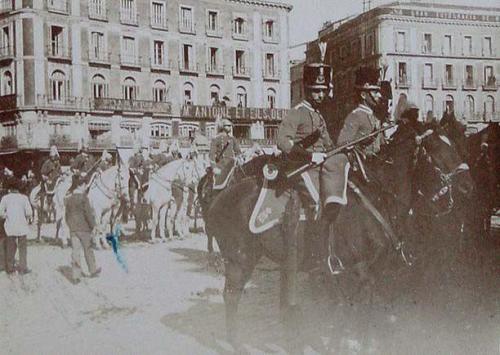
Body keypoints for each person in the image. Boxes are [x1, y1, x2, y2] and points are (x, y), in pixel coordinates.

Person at [64, 175, 101, 283]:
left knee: (75, 252)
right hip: (84, 228)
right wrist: (94, 226)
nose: (86, 187)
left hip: (73, 229)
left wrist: (70, 225)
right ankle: (92, 270)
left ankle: (76, 276)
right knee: (88, 249)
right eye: (85, 185)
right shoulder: (84, 198)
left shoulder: (69, 198)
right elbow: (88, 214)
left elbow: (67, 215)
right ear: (81, 185)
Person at [0, 178, 33, 274]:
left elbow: (0, 213)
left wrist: (7, 215)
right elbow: (29, 213)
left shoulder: (5, 198)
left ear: (9, 188)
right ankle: (23, 268)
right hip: (22, 226)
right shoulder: (24, 198)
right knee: (22, 248)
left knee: (11, 247)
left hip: (10, 227)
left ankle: (10, 268)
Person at [208, 117, 242, 189]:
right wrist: (214, 167)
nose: (230, 127)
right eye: (228, 125)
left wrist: (239, 158)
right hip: (221, 165)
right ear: (222, 126)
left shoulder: (232, 139)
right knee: (218, 183)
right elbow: (211, 154)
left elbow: (238, 152)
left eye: (231, 126)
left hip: (232, 164)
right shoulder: (216, 139)